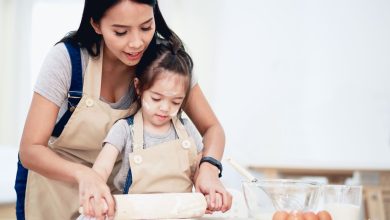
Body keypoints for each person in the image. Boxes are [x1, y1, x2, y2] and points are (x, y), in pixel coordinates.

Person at [15, 0, 232, 219]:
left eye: (146, 27)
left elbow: (212, 128)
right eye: (121, 32)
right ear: (96, 25)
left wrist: (209, 169)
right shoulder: (68, 60)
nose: (137, 43)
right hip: (55, 187)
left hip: (119, 198)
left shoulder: (166, 63)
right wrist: (85, 175)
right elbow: (30, 149)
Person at [80, 40, 207, 218]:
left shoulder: (187, 132)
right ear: (139, 87)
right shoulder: (124, 130)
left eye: (176, 101)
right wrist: (96, 192)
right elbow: (101, 169)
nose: (165, 108)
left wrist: (211, 189)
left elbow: (203, 174)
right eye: (156, 98)